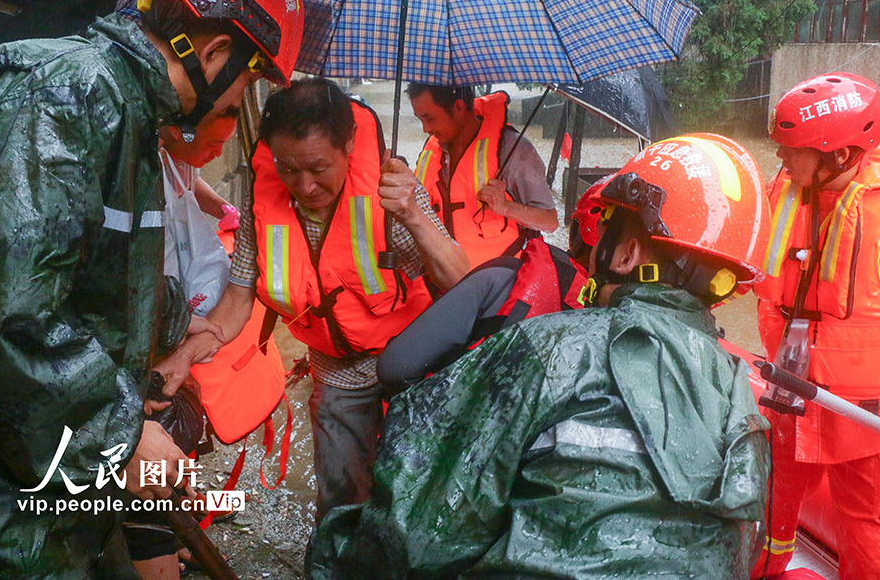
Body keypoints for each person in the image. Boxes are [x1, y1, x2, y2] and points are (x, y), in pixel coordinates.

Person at [0, 0, 303, 578]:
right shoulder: (62, 93)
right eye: (245, 83)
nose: (234, 105)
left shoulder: (129, 118)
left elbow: (87, 271)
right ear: (215, 52)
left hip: (54, 481)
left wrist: (167, 326)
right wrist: (121, 439)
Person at [308, 132, 774, 579]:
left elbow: (416, 536)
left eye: (609, 229)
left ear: (628, 253)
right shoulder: (742, 398)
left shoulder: (551, 347)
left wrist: (336, 550)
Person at [166, 77, 469, 521]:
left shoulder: (394, 192)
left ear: (349, 144)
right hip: (336, 373)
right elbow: (236, 300)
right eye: (288, 169)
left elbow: (461, 282)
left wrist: (413, 214)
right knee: (342, 503)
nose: (304, 186)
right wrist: (187, 354)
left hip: (413, 365)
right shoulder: (262, 201)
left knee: (418, 497)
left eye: (318, 168)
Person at [751, 73, 880, 580]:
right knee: (758, 523)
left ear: (839, 154)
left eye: (793, 149)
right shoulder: (786, 191)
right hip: (790, 401)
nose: (782, 159)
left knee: (877, 558)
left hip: (876, 429)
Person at [376, 175, 609, 395]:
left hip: (464, 422)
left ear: (578, 231)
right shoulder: (624, 336)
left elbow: (394, 368)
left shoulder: (501, 277)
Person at [409, 83, 558, 270]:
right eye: (420, 120)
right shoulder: (433, 152)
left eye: (429, 118)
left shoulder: (514, 150)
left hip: (502, 283)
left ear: (458, 108)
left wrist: (505, 207)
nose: (425, 129)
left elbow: (550, 221)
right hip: (447, 280)